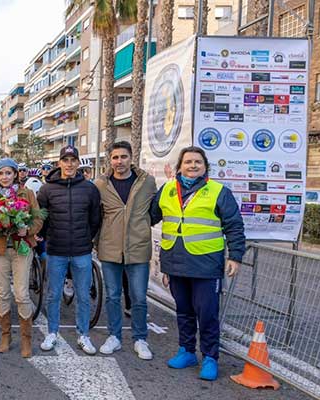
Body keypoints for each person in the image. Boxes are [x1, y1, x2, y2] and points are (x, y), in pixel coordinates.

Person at [151, 146, 245, 381]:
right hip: (175, 262)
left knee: (207, 313)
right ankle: (187, 351)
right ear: (180, 166)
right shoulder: (167, 189)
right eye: (188, 162)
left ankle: (211, 357)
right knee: (183, 311)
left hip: (206, 263)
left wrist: (235, 256)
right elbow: (149, 215)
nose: (193, 166)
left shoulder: (218, 191)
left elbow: (234, 225)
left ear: (205, 166)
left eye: (197, 162)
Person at [94, 141, 157, 360]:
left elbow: (155, 212)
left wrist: (140, 228)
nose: (119, 161)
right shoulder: (100, 184)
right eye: (115, 157)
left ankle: (140, 338)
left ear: (131, 158)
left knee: (138, 297)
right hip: (109, 248)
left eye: (123, 157)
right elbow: (96, 215)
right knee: (112, 296)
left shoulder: (147, 182)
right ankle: (114, 337)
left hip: (137, 248)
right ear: (109, 160)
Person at [37, 145, 101, 355]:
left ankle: (83, 335)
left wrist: (87, 238)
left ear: (78, 163)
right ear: (60, 163)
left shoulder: (90, 188)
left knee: (83, 295)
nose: (70, 164)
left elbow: (95, 218)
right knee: (53, 294)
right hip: (56, 250)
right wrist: (45, 237)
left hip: (82, 251)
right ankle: (52, 333)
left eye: (73, 160)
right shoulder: (47, 189)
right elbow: (43, 218)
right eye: (66, 160)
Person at [0, 158, 43, 358]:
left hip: (22, 248)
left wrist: (27, 230)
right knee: (3, 293)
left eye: (9, 173)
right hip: (0, 250)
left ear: (15, 174)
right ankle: (5, 335)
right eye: (1, 173)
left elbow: (38, 218)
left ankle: (26, 339)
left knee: (22, 294)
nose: (5, 177)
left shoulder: (27, 194)